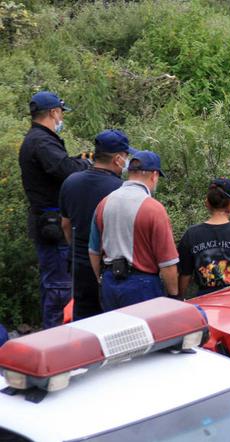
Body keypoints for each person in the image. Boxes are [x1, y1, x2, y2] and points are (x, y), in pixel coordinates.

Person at [18, 91, 90, 328]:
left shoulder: (38, 139)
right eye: (60, 113)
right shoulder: (42, 142)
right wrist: (86, 163)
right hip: (51, 223)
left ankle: (54, 335)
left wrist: (78, 160)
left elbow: (61, 165)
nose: (61, 118)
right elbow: (65, 170)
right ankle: (57, 337)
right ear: (53, 112)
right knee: (59, 287)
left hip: (49, 221)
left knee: (54, 283)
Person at [88, 151, 179, 310]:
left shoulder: (103, 203)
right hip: (142, 286)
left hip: (110, 283)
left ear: (129, 173)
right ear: (154, 176)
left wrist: (101, 279)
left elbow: (93, 250)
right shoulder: (154, 209)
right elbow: (167, 262)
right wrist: (174, 296)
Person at [59, 129, 133, 320]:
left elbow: (66, 225)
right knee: (113, 321)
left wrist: (76, 248)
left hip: (79, 265)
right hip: (110, 267)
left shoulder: (70, 182)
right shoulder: (120, 190)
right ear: (118, 159)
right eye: (126, 156)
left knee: (84, 320)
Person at [177, 178, 230, 297]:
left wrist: (179, 300)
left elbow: (184, 276)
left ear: (207, 203)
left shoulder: (191, 234)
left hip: (205, 301)